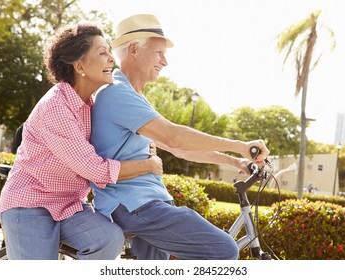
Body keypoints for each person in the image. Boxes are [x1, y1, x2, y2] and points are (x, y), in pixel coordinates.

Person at [90, 14, 270, 260]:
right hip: (135, 205)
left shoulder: (133, 96)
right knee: (223, 250)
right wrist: (240, 146)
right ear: (134, 49)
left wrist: (235, 162)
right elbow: (174, 137)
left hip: (144, 204)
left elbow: (177, 147)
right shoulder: (118, 93)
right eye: (159, 53)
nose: (165, 62)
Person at [0, 21, 163, 260]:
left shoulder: (91, 105)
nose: (111, 59)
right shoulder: (56, 107)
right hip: (30, 202)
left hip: (70, 204)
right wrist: (148, 166)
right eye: (102, 53)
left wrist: (142, 146)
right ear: (80, 66)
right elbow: (94, 168)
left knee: (109, 239)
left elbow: (115, 146)